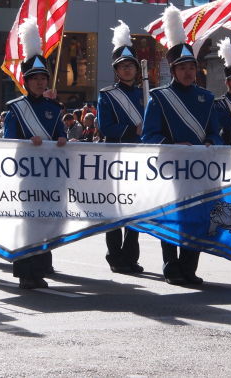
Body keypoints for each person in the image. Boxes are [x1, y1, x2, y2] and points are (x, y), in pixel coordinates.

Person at [142, 6, 222, 286]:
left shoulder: (206, 97)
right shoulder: (160, 98)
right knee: (172, 217)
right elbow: (149, 135)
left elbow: (216, 132)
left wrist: (212, 142)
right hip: (172, 168)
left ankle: (190, 267)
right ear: (173, 70)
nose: (189, 72)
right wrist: (175, 146)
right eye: (183, 68)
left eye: (192, 67)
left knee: (197, 216)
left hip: (200, 168)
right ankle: (171, 266)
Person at [3, 18, 67, 289]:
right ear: (26, 81)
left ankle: (41, 267)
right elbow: (9, 142)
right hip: (26, 177)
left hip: (49, 176)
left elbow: (58, 134)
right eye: (35, 78)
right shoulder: (15, 108)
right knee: (28, 222)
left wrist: (62, 138)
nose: (40, 83)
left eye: (43, 78)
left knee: (45, 221)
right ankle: (25, 271)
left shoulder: (55, 109)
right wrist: (29, 141)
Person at [97, 21, 145, 274]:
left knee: (135, 210)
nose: (127, 69)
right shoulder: (107, 95)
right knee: (115, 210)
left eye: (130, 65)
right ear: (116, 70)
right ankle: (115, 255)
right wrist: (131, 130)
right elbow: (106, 127)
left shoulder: (145, 94)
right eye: (123, 66)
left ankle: (131, 255)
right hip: (115, 157)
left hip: (139, 158)